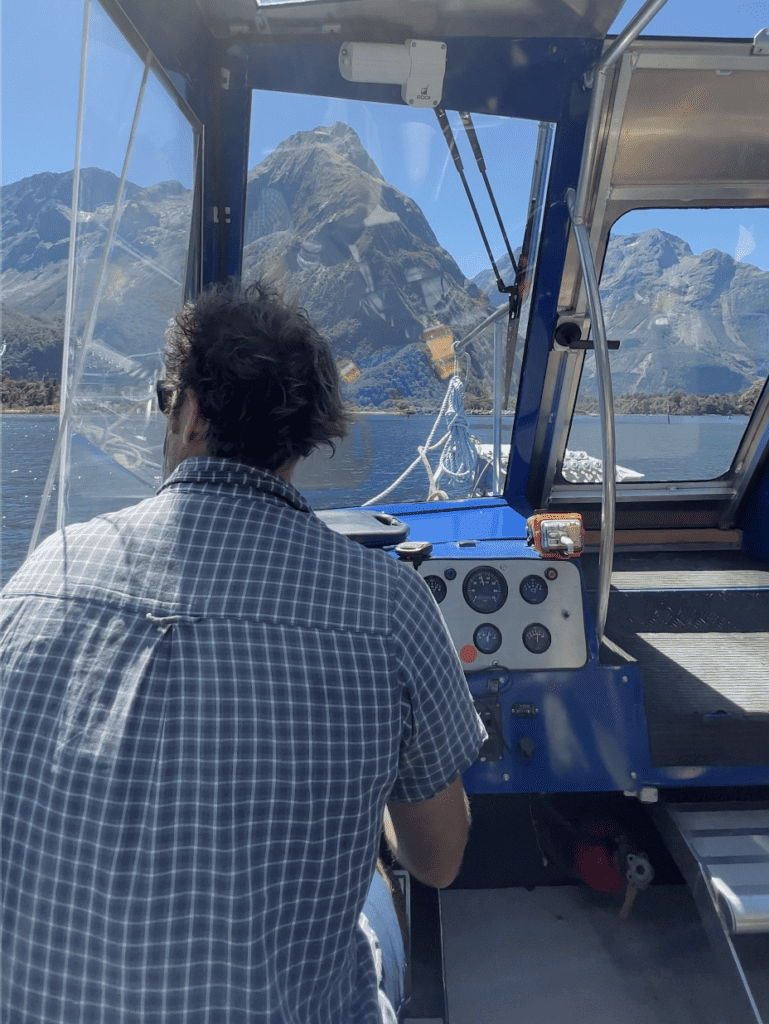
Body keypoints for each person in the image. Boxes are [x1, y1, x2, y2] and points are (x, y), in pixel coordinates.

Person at [1, 279, 487, 1024]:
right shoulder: (388, 606)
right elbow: (439, 860)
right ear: (308, 433)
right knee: (374, 891)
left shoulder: (45, 572)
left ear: (190, 411)